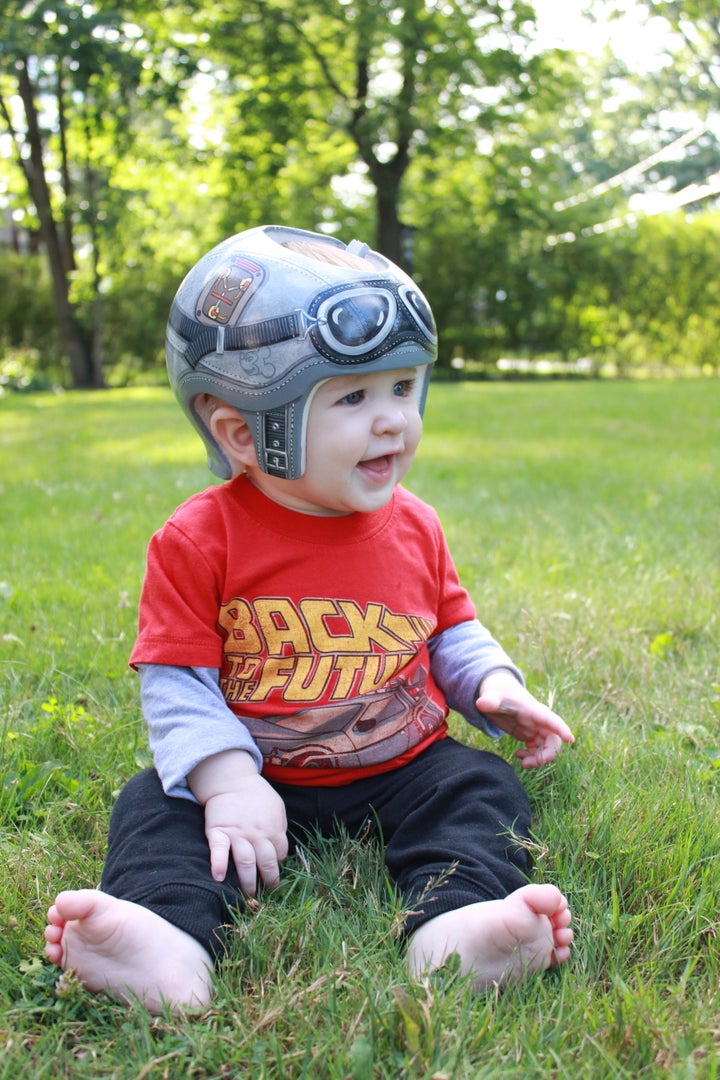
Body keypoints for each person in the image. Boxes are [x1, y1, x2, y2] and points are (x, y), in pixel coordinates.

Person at [45, 225, 574, 1014]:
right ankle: (163, 938)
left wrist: (493, 686)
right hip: (252, 775)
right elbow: (177, 680)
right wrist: (225, 782)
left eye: (402, 389)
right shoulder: (199, 539)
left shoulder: (415, 523)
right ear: (242, 432)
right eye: (354, 397)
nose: (392, 419)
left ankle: (457, 924)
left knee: (480, 785)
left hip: (402, 767)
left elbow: (450, 629)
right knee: (154, 807)